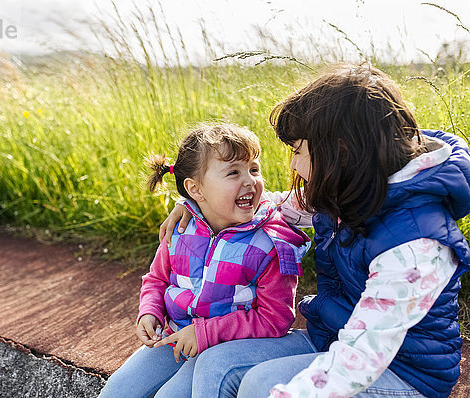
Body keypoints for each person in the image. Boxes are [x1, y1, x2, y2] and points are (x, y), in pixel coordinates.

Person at [159, 64, 470, 397]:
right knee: (217, 364)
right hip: (332, 337)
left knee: (260, 385)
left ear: (340, 150)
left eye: (298, 150)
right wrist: (196, 205)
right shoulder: (349, 190)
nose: (293, 165)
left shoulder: (415, 243)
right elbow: (273, 207)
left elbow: (363, 355)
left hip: (402, 373)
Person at [99, 123, 310, 398]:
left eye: (254, 169)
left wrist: (206, 333)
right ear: (195, 189)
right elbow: (157, 279)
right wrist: (149, 312)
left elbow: (275, 319)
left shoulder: (269, 243)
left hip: (223, 347)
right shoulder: (181, 228)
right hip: (173, 338)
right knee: (117, 391)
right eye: (234, 172)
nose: (250, 180)